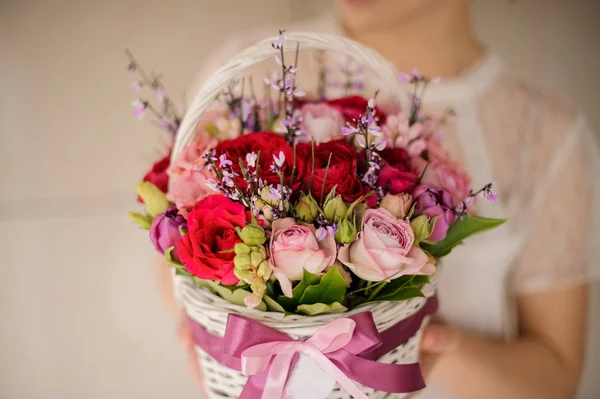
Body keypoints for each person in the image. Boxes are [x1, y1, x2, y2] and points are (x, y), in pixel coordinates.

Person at [165, 0, 600, 397]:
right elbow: (179, 237)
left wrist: (421, 338)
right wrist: (211, 338)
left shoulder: (546, 134)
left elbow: (557, 376)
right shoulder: (251, 70)